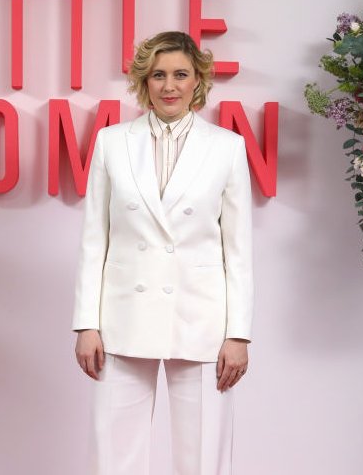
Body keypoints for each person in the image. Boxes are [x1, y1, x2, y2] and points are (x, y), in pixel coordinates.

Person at [72, 31, 254, 475]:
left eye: (180, 74)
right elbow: (95, 239)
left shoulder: (227, 148)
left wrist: (238, 334)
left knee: (203, 456)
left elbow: (239, 249)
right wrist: (86, 324)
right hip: (123, 314)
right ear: (144, 81)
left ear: (197, 81)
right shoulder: (112, 142)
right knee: (115, 454)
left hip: (202, 319)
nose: (169, 86)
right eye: (158, 75)